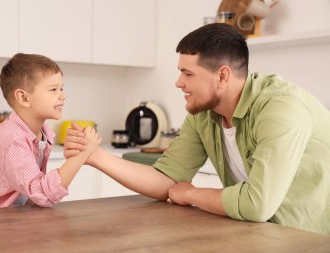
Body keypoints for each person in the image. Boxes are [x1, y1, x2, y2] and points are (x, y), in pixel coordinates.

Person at [64, 23, 330, 235]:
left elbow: (257, 205)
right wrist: (95, 156)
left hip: (311, 238)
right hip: (263, 234)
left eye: (188, 74)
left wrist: (191, 193)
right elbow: (166, 181)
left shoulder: (280, 108)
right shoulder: (204, 113)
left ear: (222, 76)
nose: (179, 83)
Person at [0, 53, 101, 212]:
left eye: (61, 88)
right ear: (24, 98)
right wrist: (81, 154)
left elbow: (33, 198)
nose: (63, 95)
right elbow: (42, 194)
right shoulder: (12, 138)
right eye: (53, 89)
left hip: (5, 221)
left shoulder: (42, 134)